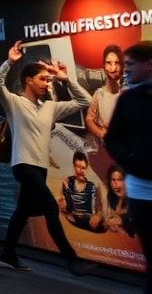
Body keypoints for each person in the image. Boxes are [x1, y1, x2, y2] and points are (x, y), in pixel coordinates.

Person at [0, 39, 94, 275]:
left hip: (40, 167)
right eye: (43, 79)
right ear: (28, 80)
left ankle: (7, 253)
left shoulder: (50, 108)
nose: (47, 84)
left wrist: (65, 79)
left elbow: (85, 101)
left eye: (49, 80)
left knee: (22, 212)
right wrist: (9, 62)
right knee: (50, 207)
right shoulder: (14, 103)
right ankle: (72, 261)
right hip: (23, 164)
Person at [104, 40, 152, 294]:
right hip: (141, 191)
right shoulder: (128, 99)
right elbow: (112, 138)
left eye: (130, 64)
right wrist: (132, 161)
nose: (125, 69)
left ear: (149, 64)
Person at [85, 44, 124, 144]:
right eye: (108, 63)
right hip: (105, 145)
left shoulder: (128, 94)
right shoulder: (99, 94)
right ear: (104, 65)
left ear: (122, 66)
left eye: (117, 63)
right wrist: (101, 133)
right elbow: (89, 119)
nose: (113, 68)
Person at [59, 149, 104, 232]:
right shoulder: (67, 182)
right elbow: (62, 204)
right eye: (78, 167)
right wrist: (62, 205)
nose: (81, 170)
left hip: (89, 222)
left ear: (86, 168)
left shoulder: (93, 186)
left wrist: (98, 216)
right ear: (74, 166)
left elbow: (99, 210)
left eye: (83, 168)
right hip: (72, 221)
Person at [103, 164, 135, 238]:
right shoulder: (111, 196)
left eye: (120, 179)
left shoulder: (136, 199)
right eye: (113, 180)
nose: (116, 183)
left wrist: (121, 221)